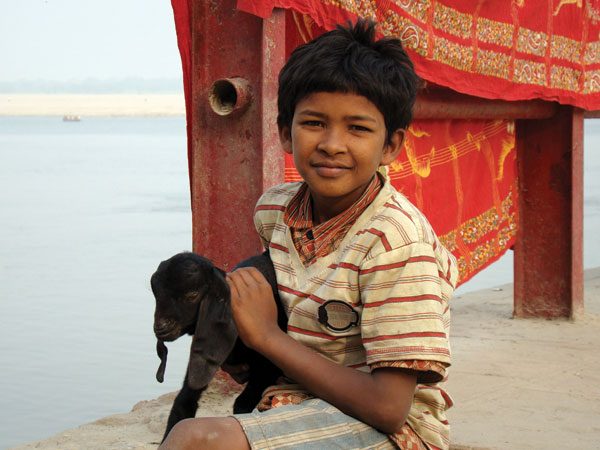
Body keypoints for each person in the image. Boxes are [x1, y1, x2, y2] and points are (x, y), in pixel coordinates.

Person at [159, 18, 458, 450]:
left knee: (196, 440)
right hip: (297, 398)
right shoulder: (274, 210)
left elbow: (389, 408)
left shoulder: (394, 241)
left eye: (358, 128)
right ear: (285, 131)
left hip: (396, 431)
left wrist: (266, 337)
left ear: (390, 146)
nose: (332, 144)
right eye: (314, 123)